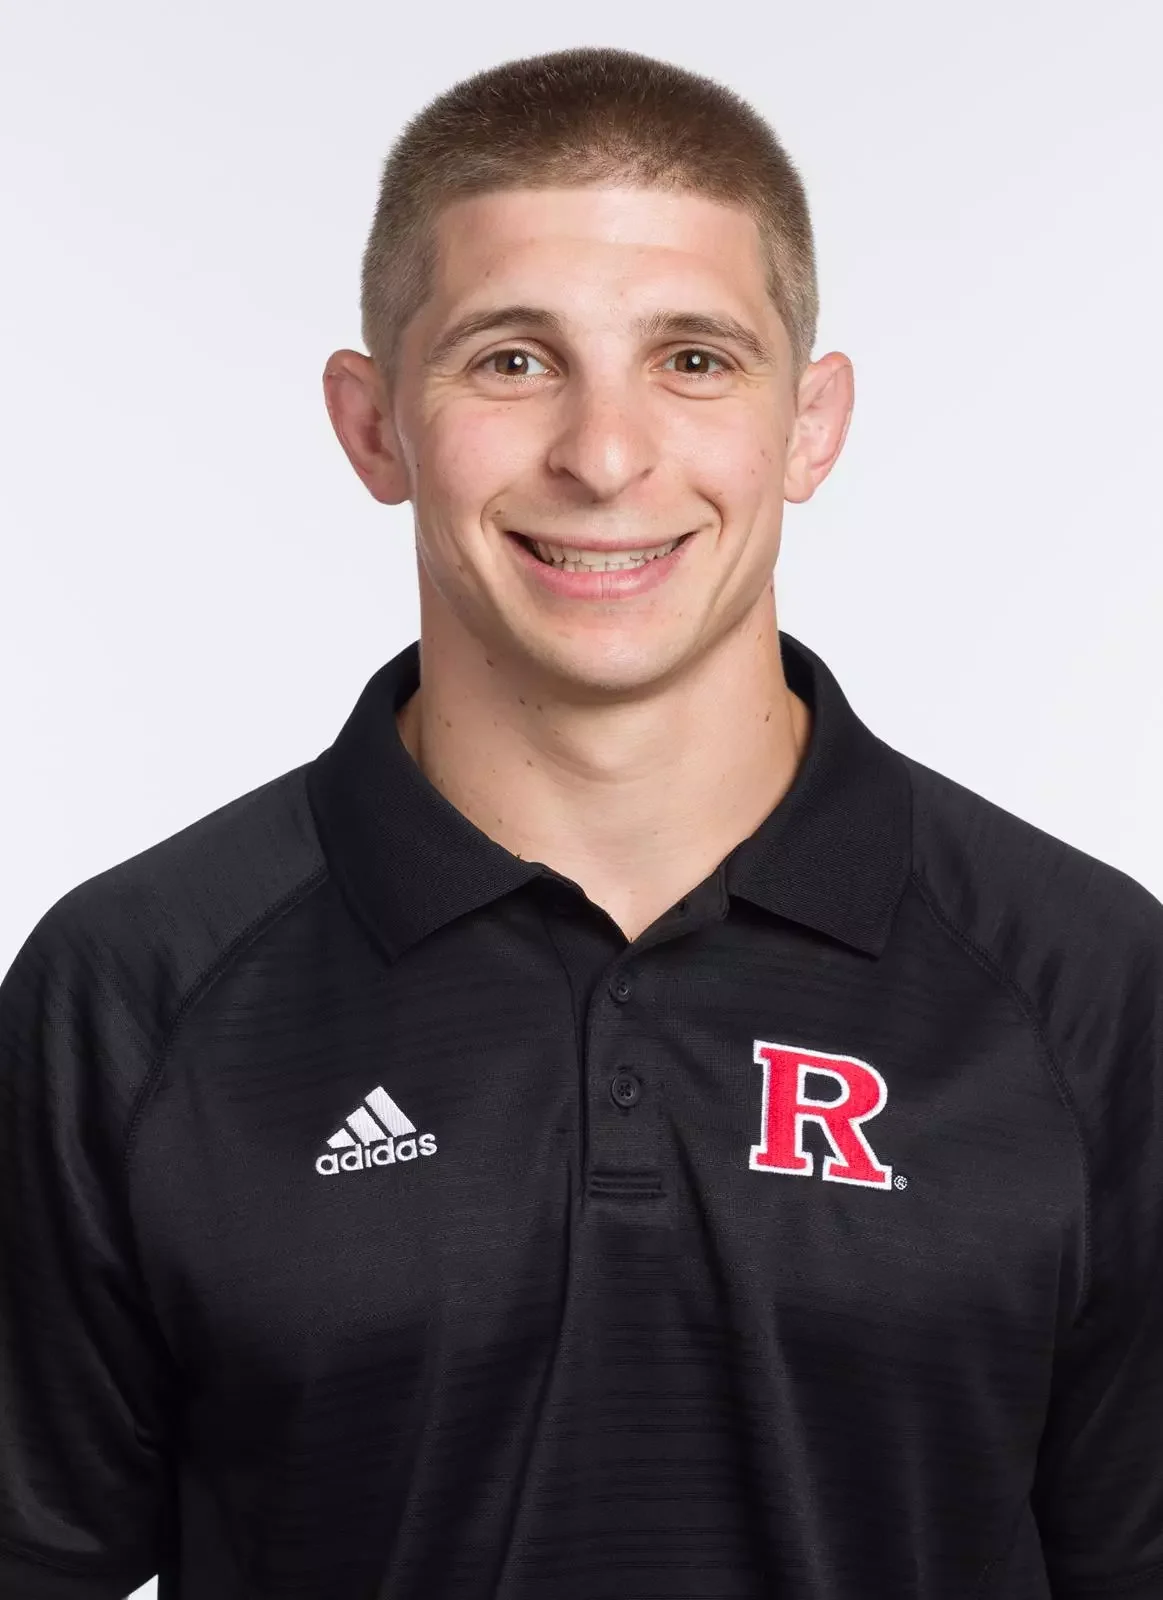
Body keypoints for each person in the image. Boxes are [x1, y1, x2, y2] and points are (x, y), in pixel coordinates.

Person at [1, 43, 1160, 1600]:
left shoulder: (1084, 982)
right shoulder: (134, 988)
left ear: (809, 425)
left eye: (693, 359)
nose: (604, 456)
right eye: (510, 360)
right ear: (373, 425)